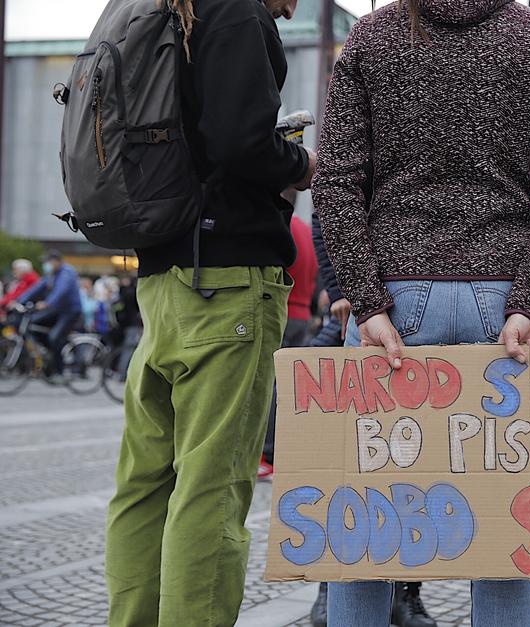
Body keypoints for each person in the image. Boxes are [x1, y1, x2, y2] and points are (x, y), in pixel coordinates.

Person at [313, 1, 530, 626]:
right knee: (509, 528)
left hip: (395, 297)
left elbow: (335, 180)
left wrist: (365, 297)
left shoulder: (374, 35)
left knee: (364, 528)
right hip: (504, 304)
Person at [103, 0, 316, 624]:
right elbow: (238, 141)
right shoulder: (237, 13)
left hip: (162, 278)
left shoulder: (169, 10)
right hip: (227, 284)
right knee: (211, 487)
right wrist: (301, 163)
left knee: (145, 484)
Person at [260, 212, 319, 478]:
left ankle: (269, 453)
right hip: (302, 314)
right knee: (286, 385)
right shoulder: (305, 229)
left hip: (282, 312)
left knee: (271, 387)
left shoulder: (281, 223)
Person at [15, 251, 83, 377]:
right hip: (56, 310)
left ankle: (59, 371)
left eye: (48, 262)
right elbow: (37, 288)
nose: (46, 265)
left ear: (57, 261)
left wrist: (47, 303)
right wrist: (19, 301)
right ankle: (50, 352)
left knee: (54, 337)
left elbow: (61, 290)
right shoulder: (51, 274)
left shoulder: (67, 272)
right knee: (33, 323)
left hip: (70, 311)